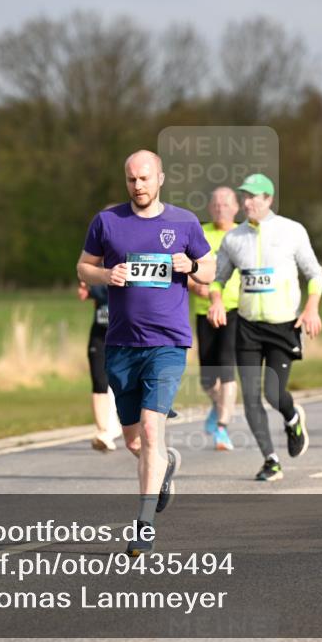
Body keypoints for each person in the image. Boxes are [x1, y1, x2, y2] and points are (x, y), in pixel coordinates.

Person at [76, 150, 213, 555]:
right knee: (136, 442)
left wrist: (190, 265)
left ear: (160, 179)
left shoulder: (184, 222)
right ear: (126, 181)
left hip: (168, 343)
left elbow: (210, 268)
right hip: (121, 345)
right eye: (132, 179)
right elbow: (83, 267)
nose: (139, 185)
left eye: (146, 178)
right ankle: (166, 464)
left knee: (153, 429)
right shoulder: (107, 222)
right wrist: (105, 274)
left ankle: (143, 526)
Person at [208, 173, 322, 482]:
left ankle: (292, 415)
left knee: (273, 394)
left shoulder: (292, 231)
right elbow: (218, 278)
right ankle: (271, 460)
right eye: (244, 196)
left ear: (268, 199)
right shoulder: (234, 239)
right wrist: (216, 301)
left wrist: (312, 307)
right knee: (250, 397)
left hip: (283, 326)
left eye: (253, 196)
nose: (247, 202)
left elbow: (315, 273)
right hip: (247, 327)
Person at [189, 187, 242, 450]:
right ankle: (218, 405)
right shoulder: (200, 233)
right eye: (216, 204)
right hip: (204, 312)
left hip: (235, 311)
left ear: (236, 208)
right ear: (210, 208)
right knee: (207, 379)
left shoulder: (245, 234)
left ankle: (222, 428)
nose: (221, 207)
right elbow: (186, 269)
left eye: (226, 203)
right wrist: (193, 283)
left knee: (226, 367)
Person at [78, 279, 120, 450]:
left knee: (123, 381)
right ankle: (104, 433)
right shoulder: (95, 262)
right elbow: (84, 288)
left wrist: (94, 289)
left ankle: (122, 422)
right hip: (100, 333)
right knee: (99, 382)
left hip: (126, 334)